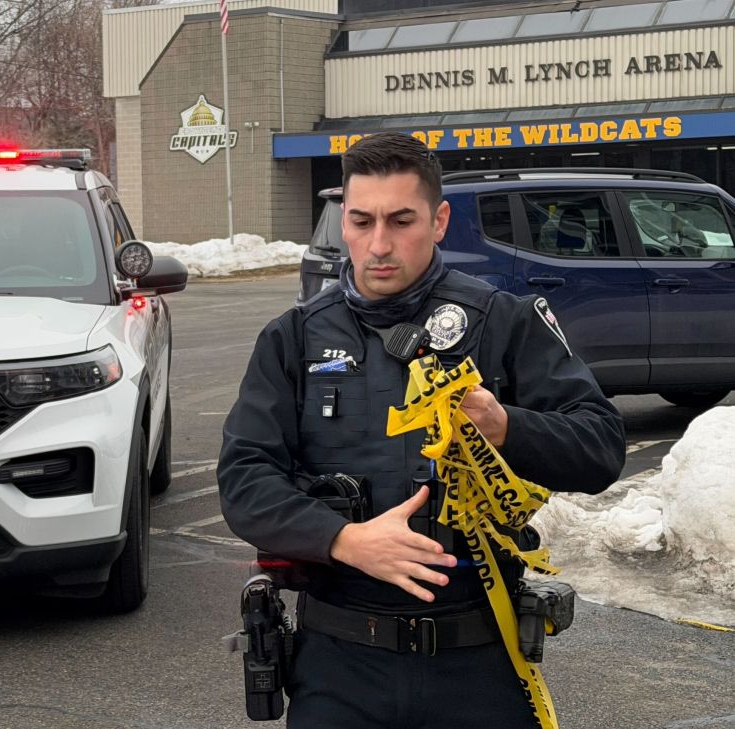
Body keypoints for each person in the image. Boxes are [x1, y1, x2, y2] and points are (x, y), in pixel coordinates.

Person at [218, 132, 626, 729]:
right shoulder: (295, 337)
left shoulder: (501, 321)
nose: (378, 244)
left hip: (478, 661)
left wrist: (505, 424)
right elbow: (244, 480)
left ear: (438, 221)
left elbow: (601, 447)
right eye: (361, 222)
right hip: (339, 664)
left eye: (401, 221)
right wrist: (343, 540)